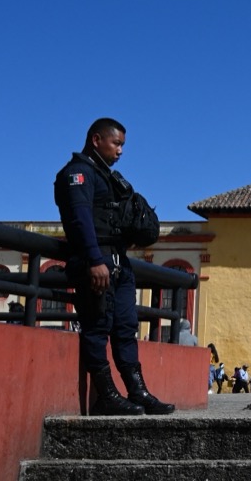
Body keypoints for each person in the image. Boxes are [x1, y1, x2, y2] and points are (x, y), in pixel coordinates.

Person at [54, 117, 173, 416]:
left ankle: (138, 391)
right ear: (97, 140)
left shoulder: (109, 177)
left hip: (119, 262)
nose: (121, 151)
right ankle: (106, 395)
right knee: (97, 325)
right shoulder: (77, 174)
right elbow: (80, 220)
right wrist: (94, 260)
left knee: (124, 327)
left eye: (122, 145)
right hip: (97, 260)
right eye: (116, 143)